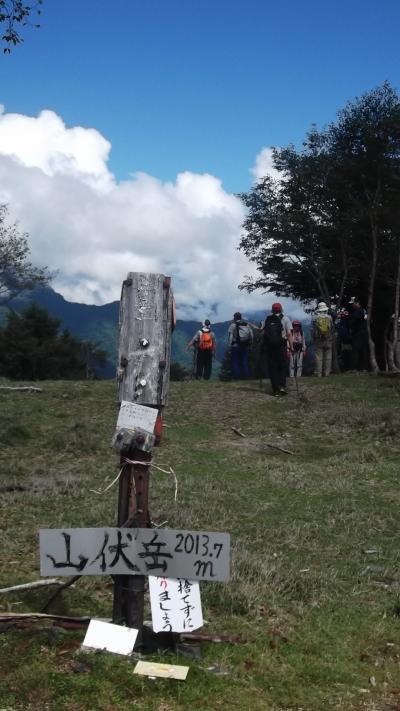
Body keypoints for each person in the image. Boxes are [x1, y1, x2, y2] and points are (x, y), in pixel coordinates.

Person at [262, 303, 293, 395]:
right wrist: (291, 347)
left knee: (273, 367)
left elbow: (263, 331)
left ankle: (275, 389)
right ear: (281, 309)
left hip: (270, 347)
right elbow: (289, 334)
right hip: (281, 346)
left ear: (272, 310)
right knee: (282, 366)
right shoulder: (285, 319)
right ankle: (282, 386)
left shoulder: (267, 319)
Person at [227, 312, 253, 379]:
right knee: (245, 361)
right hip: (245, 346)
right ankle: (246, 376)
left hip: (235, 346)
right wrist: (250, 344)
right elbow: (251, 336)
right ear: (240, 317)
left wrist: (229, 346)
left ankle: (237, 377)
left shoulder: (233, 325)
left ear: (235, 318)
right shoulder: (247, 325)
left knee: (235, 361)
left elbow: (230, 337)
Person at [311, 302, 334, 377]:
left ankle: (319, 374)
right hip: (328, 339)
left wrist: (313, 338)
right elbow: (332, 328)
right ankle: (327, 373)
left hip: (318, 339)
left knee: (318, 357)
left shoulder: (314, 317)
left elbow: (312, 329)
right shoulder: (329, 317)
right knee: (328, 357)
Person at [349, 299, 369, 371]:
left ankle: (354, 368)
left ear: (357, 303)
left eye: (353, 304)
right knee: (363, 350)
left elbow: (353, 320)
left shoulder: (358, 311)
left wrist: (350, 323)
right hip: (364, 332)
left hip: (359, 333)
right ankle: (364, 367)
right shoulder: (364, 310)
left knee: (355, 350)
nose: (352, 305)